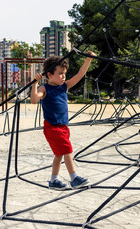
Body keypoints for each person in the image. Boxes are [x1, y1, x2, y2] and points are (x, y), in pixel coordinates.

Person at [31, 51, 96, 190]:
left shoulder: (64, 86)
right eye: (60, 73)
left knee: (59, 155)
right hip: (52, 127)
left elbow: (79, 75)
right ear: (49, 74)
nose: (63, 76)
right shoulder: (45, 88)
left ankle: (53, 181)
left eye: (64, 73)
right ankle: (74, 178)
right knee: (67, 150)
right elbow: (34, 100)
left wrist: (88, 60)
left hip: (63, 127)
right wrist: (35, 84)